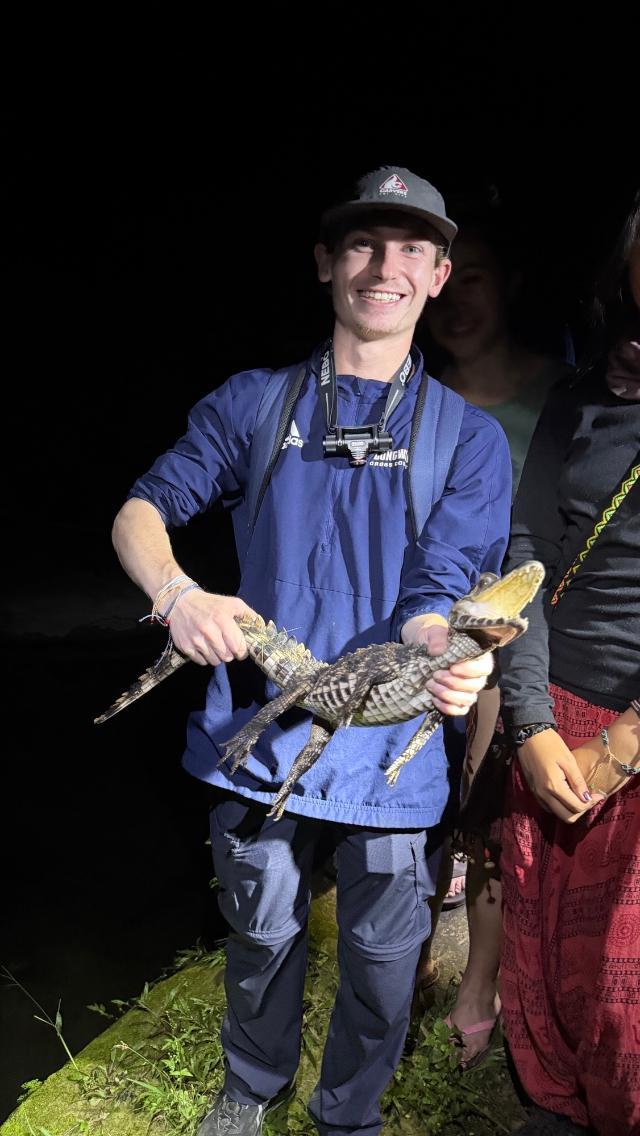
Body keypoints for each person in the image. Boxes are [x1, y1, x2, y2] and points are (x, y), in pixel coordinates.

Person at [110, 165, 512, 1136]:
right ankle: (250, 1086)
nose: (386, 265)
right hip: (260, 737)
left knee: (382, 953)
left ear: (439, 271)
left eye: (411, 246)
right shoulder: (253, 403)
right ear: (327, 262)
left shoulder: (469, 439)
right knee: (260, 931)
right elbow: (141, 511)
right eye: (365, 243)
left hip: (389, 746)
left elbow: (439, 591)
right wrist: (177, 590)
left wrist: (452, 648)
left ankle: (350, 1114)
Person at [409, 206, 570, 1064]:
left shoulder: (563, 389)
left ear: (507, 283)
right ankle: (407, 966)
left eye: (476, 276)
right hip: (425, 633)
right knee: (416, 812)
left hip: (526, 637)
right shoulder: (416, 403)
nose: (458, 299)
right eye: (447, 281)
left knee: (490, 804)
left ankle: (482, 982)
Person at [497, 190, 640, 1135]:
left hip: (632, 733)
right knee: (547, 986)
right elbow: (526, 554)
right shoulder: (578, 404)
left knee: (627, 1021)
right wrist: (531, 724)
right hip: (561, 708)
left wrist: (627, 743)